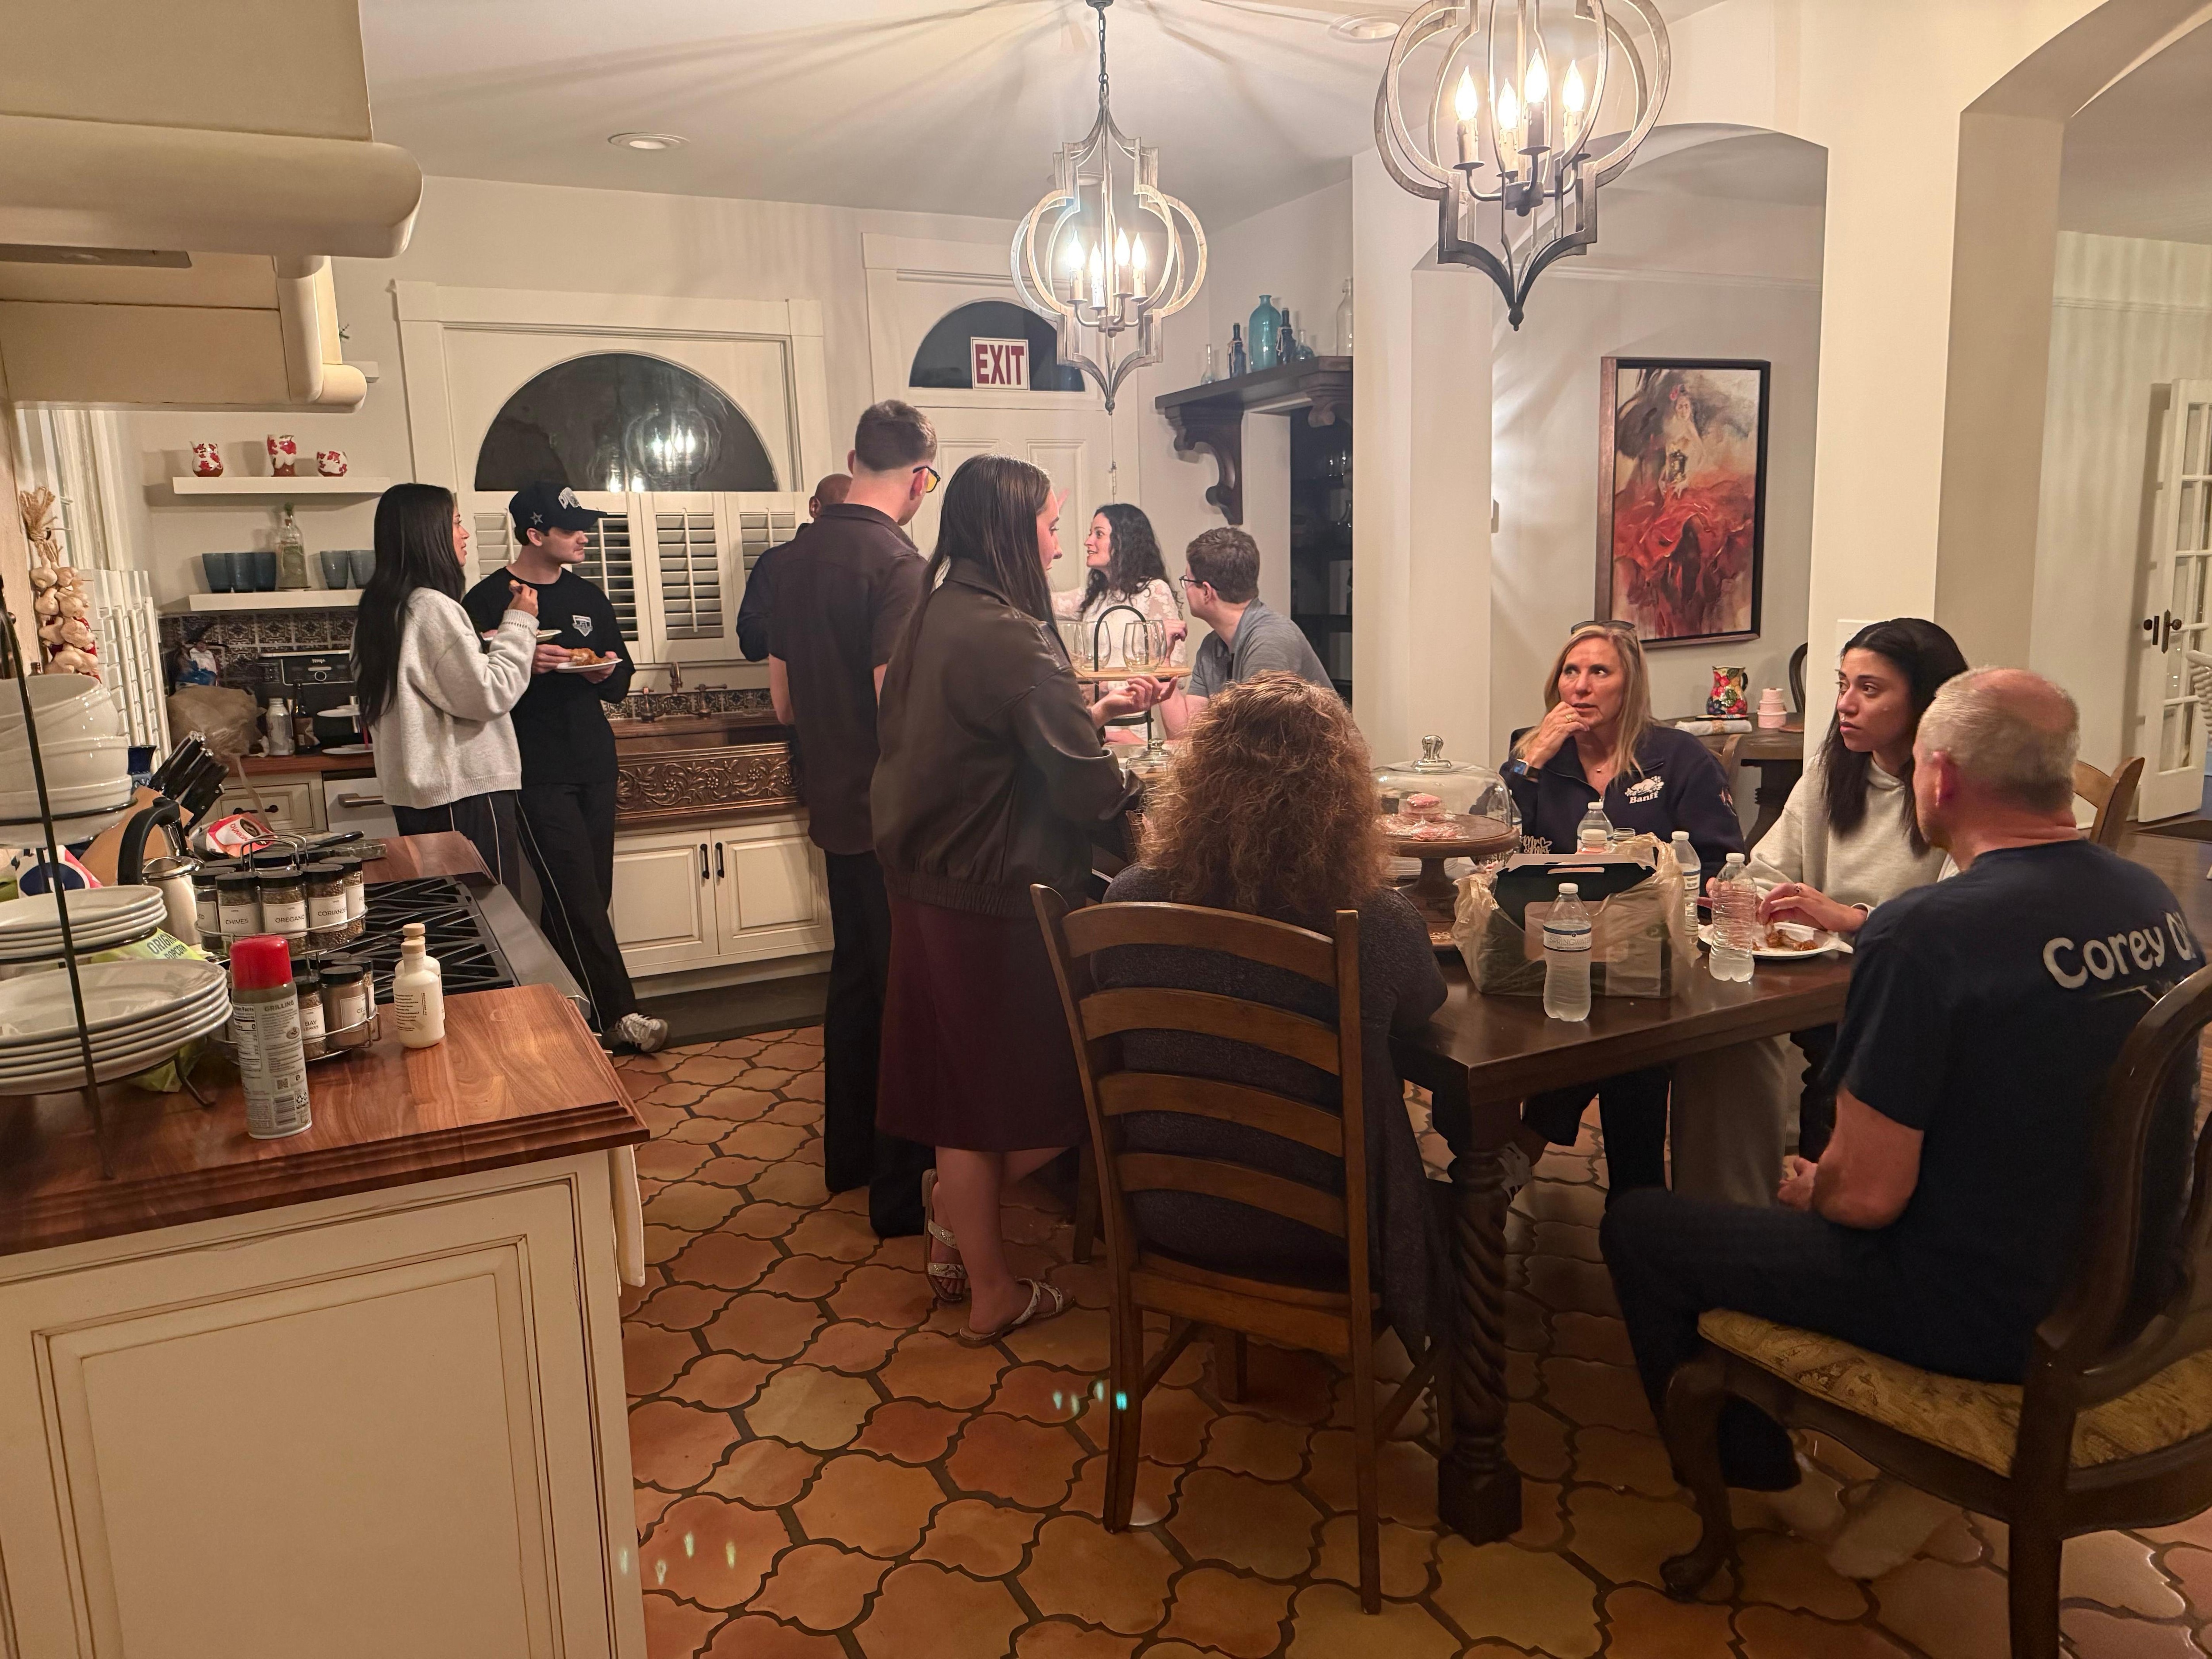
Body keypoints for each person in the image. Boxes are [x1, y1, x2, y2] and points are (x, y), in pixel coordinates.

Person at [1601, 669, 2198, 1575]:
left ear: (1941, 779)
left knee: (1639, 1224)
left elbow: (1868, 1201)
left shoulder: (1923, 934)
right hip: (2131, 1281)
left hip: (1987, 1314)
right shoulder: (2150, 900)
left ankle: (1763, 1480)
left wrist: (1817, 1189)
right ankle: (1912, 1480)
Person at [870, 454, 1160, 1341]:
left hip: (928, 883)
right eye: (1048, 523)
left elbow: (982, 742)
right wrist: (1137, 806)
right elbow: (1079, 785)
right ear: (1010, 530)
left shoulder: (934, 612)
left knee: (964, 1091)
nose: (1059, 538)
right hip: (1000, 894)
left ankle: (962, 1222)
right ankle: (989, 1280)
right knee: (1064, 1092)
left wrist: (1086, 718)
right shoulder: (1011, 633)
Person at [1098, 672, 1450, 1349]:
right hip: (1325, 1224)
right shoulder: (1372, 920)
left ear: (1197, 778)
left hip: (1169, 1205)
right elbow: (1423, 1007)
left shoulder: (1129, 900)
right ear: (1341, 791)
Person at [1668, 619, 1970, 1202]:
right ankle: (1736, 1212)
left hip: (1903, 981)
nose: (1845, 705)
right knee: (1722, 1033)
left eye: (1870, 689)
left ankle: (1817, 1198)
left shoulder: (1953, 788)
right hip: (1813, 970)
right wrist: (1743, 894)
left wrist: (1852, 917)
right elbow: (1772, 867)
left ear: (1926, 701)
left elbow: (1958, 916)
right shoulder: (1835, 770)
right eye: (1842, 684)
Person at [1500, 621, 1744, 1196]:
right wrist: (1529, 761)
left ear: (1629, 685)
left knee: (1626, 1024)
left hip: (1657, 947)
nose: (1580, 687)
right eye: (1571, 671)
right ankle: (1637, 1201)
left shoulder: (1677, 757)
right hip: (1552, 940)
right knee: (1618, 1030)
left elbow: (1723, 861)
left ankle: (1524, 1152)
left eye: (1599, 672)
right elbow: (1500, 848)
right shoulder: (1536, 754)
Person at [768, 402, 937, 1236]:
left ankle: (850, 1158)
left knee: (857, 980)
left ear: (852, 458)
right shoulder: (897, 564)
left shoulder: (799, 557)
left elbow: (790, 697)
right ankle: (901, 1195)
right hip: (888, 811)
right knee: (904, 995)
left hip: (833, 797)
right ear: (919, 479)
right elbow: (893, 705)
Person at [462, 483, 666, 1055]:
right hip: (534, 769)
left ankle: (564, 1014)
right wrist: (523, 661)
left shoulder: (590, 597)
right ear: (534, 534)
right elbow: (476, 691)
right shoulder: (485, 601)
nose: (586, 535)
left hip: (595, 763)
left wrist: (601, 672)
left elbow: (621, 682)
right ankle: (621, 1013)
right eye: (572, 527)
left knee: (584, 894)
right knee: (575, 891)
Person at [356, 482, 535, 888]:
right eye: (455, 523)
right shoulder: (431, 607)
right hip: (464, 792)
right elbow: (490, 694)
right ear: (427, 534)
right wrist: (520, 623)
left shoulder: (379, 611)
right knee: (491, 919)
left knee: (447, 918)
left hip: (420, 796)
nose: (465, 533)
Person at [1156, 527, 1332, 737]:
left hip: (1311, 769)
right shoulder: (1213, 647)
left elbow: (1254, 746)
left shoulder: (1269, 641)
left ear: (1206, 592)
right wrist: (1163, 661)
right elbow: (1186, 736)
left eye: (1187, 580)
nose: (1185, 589)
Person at [735, 473, 852, 663]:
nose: (848, 524)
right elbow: (751, 644)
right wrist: (796, 616)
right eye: (841, 512)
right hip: (800, 688)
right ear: (815, 507)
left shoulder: (864, 563)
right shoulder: (776, 563)